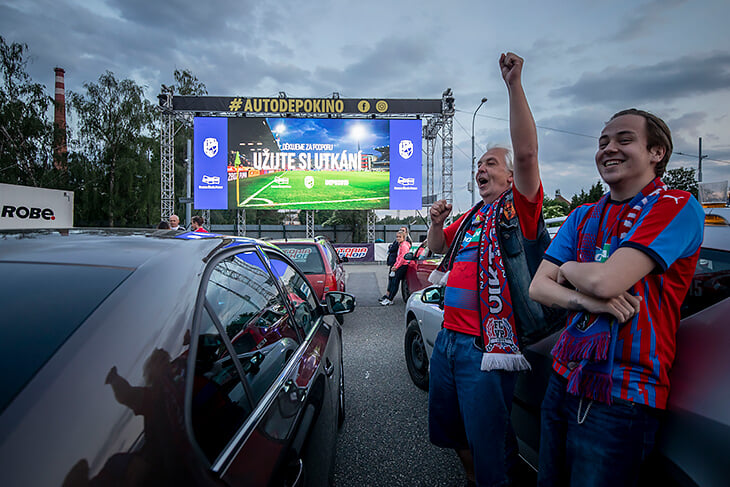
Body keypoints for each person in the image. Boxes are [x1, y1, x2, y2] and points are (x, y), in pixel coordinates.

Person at [529, 109, 704, 487]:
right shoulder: (583, 214)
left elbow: (608, 281)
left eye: (624, 139)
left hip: (622, 392)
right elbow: (538, 287)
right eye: (603, 142)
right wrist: (587, 301)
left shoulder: (675, 205)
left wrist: (571, 269)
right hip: (565, 376)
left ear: (656, 151)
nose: (609, 148)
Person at [426, 52, 544, 487]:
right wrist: (436, 223)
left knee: (491, 446)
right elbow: (435, 250)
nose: (481, 169)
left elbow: (528, 154)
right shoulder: (473, 216)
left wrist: (513, 86)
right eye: (479, 165)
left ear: (512, 178)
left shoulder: (518, 211)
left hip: (486, 349)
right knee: (454, 435)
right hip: (449, 341)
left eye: (491, 163)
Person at [381, 226, 413, 301]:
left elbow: (402, 257)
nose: (398, 238)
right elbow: (399, 256)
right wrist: (395, 265)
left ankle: (390, 299)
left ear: (405, 234)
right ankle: (388, 296)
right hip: (396, 264)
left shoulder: (404, 245)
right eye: (397, 236)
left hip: (400, 265)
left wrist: (396, 266)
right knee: (392, 280)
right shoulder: (400, 244)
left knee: (395, 281)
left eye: (402, 231)